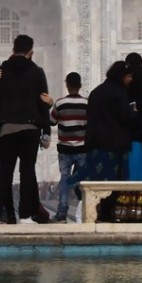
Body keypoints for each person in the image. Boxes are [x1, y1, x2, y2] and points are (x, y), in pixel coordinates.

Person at [0, 35, 52, 225]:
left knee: (5, 173)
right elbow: (43, 102)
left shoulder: (1, 71)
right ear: (30, 52)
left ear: (13, 49)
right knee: (27, 172)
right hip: (30, 128)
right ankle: (24, 216)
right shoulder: (37, 72)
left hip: (6, 129)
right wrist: (46, 130)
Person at [80, 61, 137, 221]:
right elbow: (124, 116)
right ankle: (109, 214)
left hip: (96, 144)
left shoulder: (96, 92)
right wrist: (135, 113)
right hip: (114, 145)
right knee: (115, 183)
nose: (130, 80)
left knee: (98, 183)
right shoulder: (120, 92)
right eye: (128, 76)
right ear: (122, 76)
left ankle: (98, 214)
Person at [49, 72, 87, 223]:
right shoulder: (87, 103)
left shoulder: (60, 103)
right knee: (83, 181)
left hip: (65, 148)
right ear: (80, 85)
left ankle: (61, 214)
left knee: (64, 179)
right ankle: (85, 211)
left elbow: (52, 121)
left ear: (67, 85)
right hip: (82, 148)